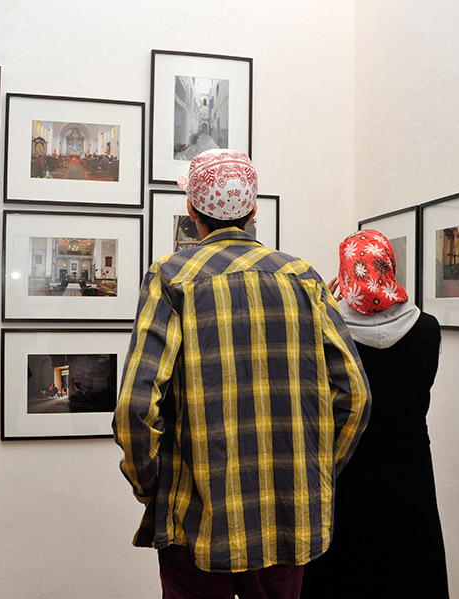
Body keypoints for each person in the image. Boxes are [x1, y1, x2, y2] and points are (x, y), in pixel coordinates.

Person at [113, 149, 371, 599]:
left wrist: (149, 486)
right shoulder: (304, 278)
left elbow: (135, 406)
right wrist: (316, 472)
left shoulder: (171, 277)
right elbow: (356, 396)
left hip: (195, 520)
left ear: (192, 210)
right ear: (253, 211)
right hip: (288, 520)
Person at [300, 229, 449, 598]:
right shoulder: (427, 328)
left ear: (347, 269)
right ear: (389, 266)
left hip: (346, 469)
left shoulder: (328, 330)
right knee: (409, 573)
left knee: (343, 575)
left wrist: (326, 305)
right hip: (409, 472)